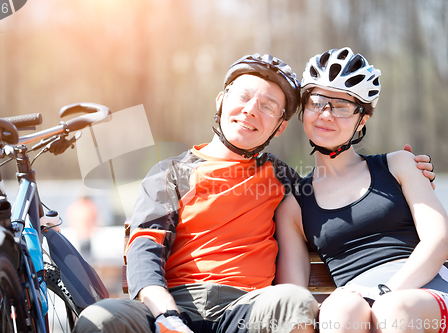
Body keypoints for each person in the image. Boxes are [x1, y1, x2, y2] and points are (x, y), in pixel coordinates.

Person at [73, 53, 433, 333]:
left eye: (268, 106)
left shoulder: (283, 178)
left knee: (292, 303)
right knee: (101, 318)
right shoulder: (170, 173)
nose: (250, 111)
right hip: (169, 305)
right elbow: (144, 252)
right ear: (220, 101)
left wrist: (406, 175)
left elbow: (341, 188)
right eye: (244, 96)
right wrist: (164, 312)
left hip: (245, 310)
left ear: (278, 128)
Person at [275, 47, 448, 333]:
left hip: (421, 292)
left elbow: (439, 240)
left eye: (342, 106)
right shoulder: (294, 206)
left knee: (394, 311)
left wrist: (384, 291)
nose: (326, 115)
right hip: (355, 302)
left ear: (362, 120)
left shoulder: (398, 165)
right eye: (317, 102)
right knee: (339, 311)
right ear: (303, 109)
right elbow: (294, 297)